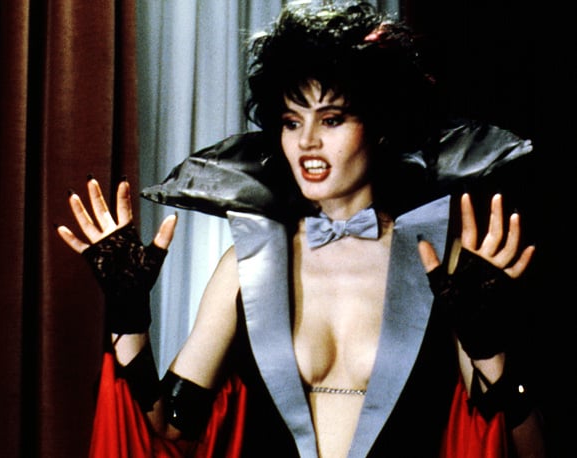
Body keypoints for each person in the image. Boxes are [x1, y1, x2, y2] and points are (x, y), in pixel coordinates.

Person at [57, 1, 546, 457]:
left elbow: (526, 448)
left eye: (331, 119)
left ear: (380, 126)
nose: (307, 141)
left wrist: (492, 351)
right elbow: (168, 429)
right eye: (292, 122)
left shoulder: (442, 263)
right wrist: (128, 317)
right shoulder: (248, 264)